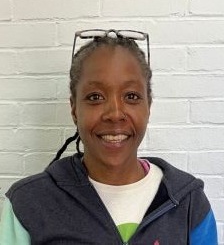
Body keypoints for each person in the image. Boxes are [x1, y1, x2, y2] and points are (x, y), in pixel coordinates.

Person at [0, 29, 218, 245]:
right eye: (95, 97)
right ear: (74, 109)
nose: (115, 114)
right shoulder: (26, 205)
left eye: (131, 96)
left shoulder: (189, 204)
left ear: (148, 106)